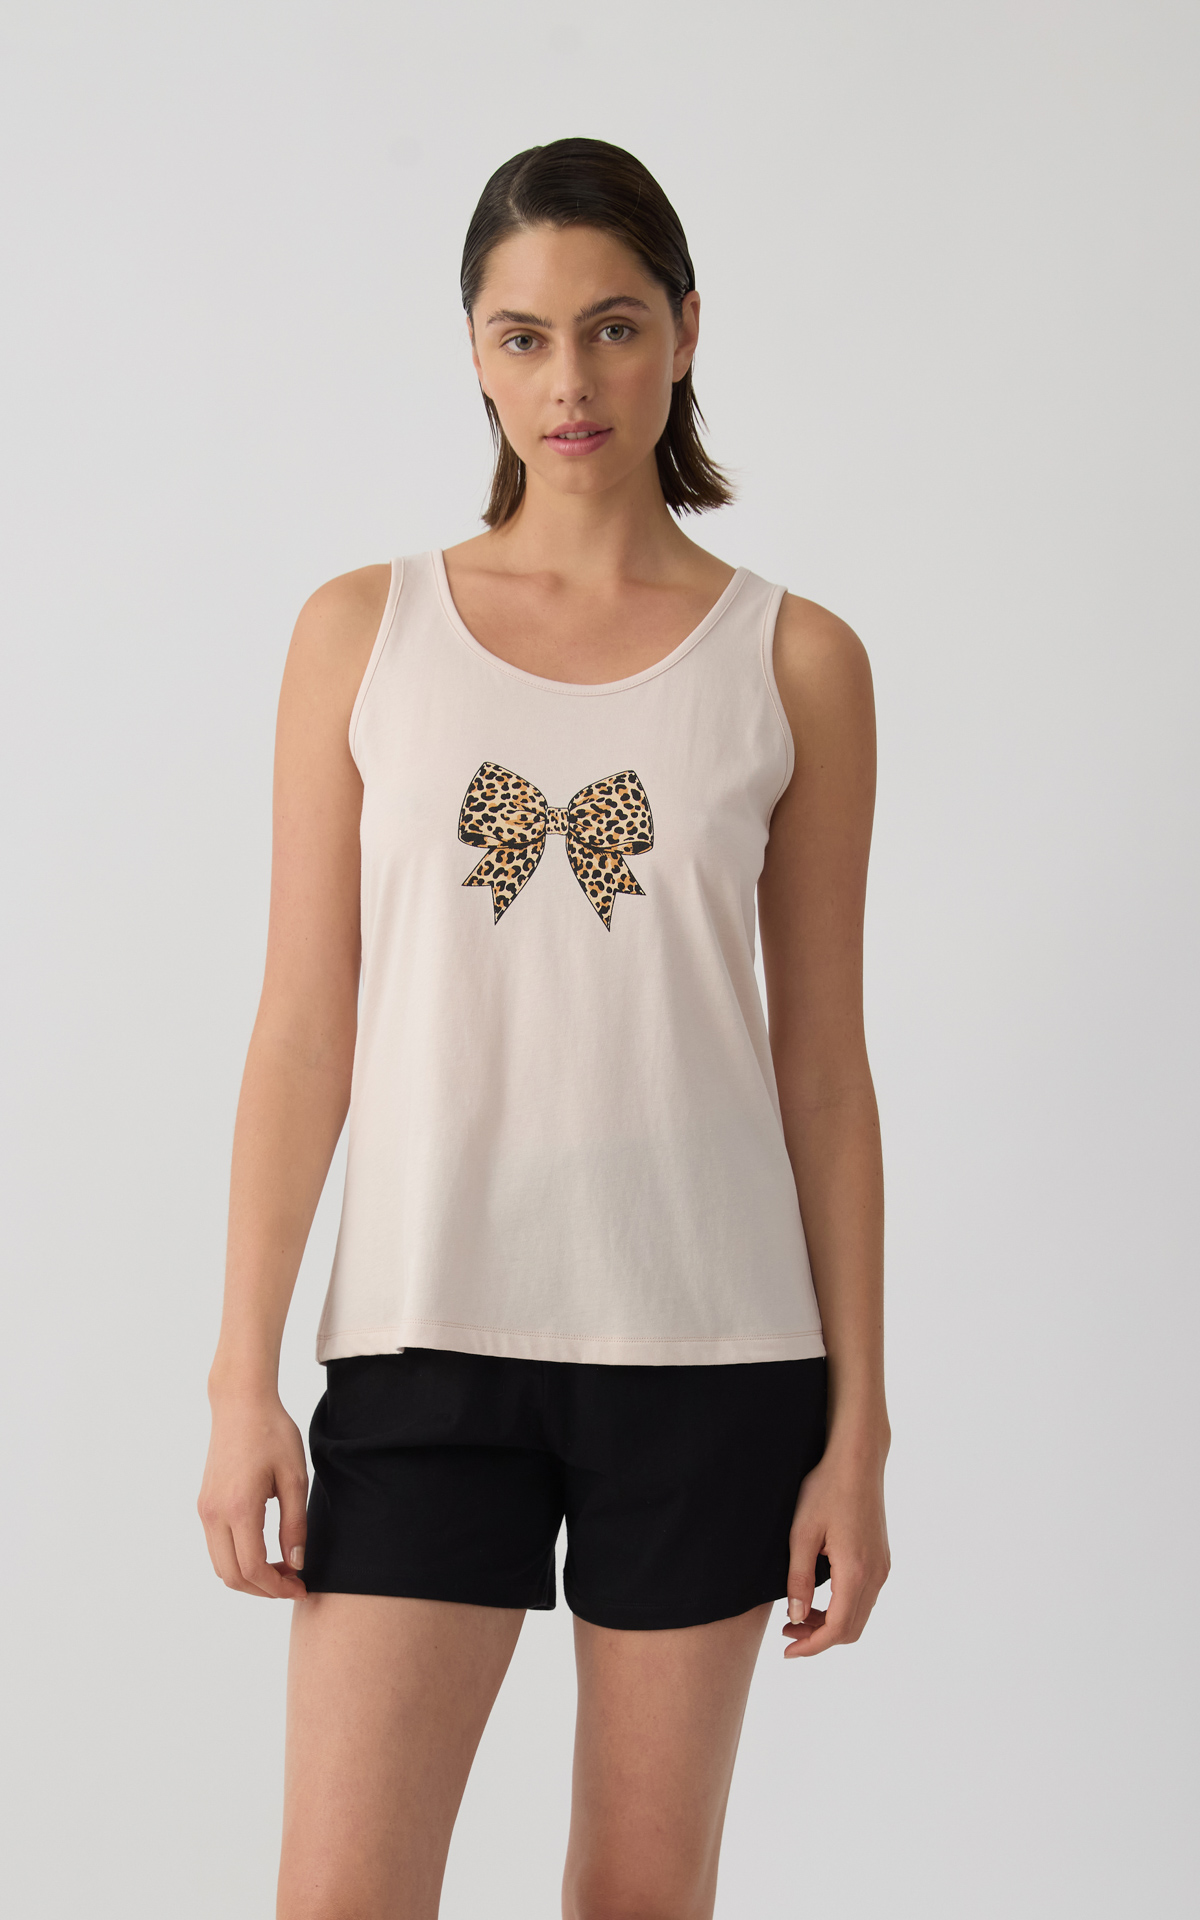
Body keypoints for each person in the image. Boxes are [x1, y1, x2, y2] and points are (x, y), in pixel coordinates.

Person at [198, 136, 890, 1920]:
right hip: (424, 1339)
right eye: (522, 337)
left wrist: (860, 1429)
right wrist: (239, 1375)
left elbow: (824, 1073)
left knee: (639, 1899)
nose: (568, 380)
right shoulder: (363, 634)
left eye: (612, 327)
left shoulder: (796, 660)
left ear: (684, 333)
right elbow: (302, 1030)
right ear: (474, 354)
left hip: (714, 1353)